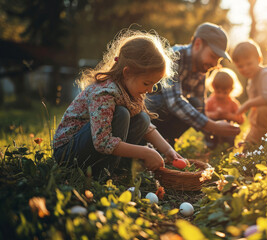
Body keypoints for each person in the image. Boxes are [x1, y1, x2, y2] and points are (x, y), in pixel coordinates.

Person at [53, 29, 183, 178]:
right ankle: (102, 174)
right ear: (127, 73)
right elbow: (102, 142)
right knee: (121, 114)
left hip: (92, 146)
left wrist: (168, 150)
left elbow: (146, 127)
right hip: (68, 153)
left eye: (154, 84)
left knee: (142, 118)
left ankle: (116, 168)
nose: (150, 89)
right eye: (147, 83)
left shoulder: (131, 90)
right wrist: (146, 152)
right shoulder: (104, 93)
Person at [145, 22, 240, 145]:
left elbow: (200, 106)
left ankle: (165, 144)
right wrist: (213, 126)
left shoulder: (201, 67)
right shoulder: (174, 57)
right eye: (212, 56)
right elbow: (174, 101)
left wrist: (216, 135)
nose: (214, 65)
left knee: (195, 104)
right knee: (162, 102)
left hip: (165, 114)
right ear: (198, 44)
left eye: (218, 60)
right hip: (146, 109)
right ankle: (146, 143)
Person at [204, 68, 244, 148]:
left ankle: (229, 146)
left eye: (225, 92)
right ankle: (211, 145)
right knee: (208, 127)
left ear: (231, 89)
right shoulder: (210, 101)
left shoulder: (233, 103)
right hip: (213, 128)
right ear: (213, 87)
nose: (221, 95)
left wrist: (229, 116)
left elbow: (241, 120)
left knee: (232, 130)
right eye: (218, 91)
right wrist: (214, 115)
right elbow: (203, 115)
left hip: (227, 130)